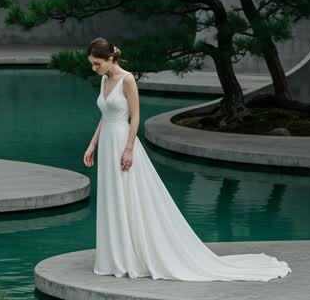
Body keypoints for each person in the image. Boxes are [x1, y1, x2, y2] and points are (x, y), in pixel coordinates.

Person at [82, 38, 291, 282]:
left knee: (129, 197)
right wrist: (93, 143)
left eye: (97, 64)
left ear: (110, 59)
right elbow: (105, 115)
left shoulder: (127, 80)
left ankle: (132, 255)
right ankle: (115, 255)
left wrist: (129, 149)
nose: (94, 69)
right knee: (112, 197)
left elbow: (136, 117)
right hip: (107, 143)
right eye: (92, 65)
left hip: (121, 143)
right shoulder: (104, 80)